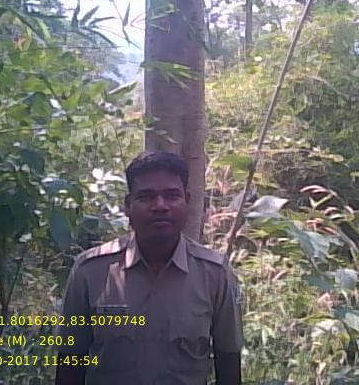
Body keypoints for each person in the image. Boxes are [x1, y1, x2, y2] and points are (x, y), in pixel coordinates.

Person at [55, 151, 243, 385]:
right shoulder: (90, 272)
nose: (160, 206)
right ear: (128, 205)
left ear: (187, 200)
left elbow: (228, 363)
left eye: (172, 196)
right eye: (146, 197)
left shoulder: (215, 274)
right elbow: (70, 361)